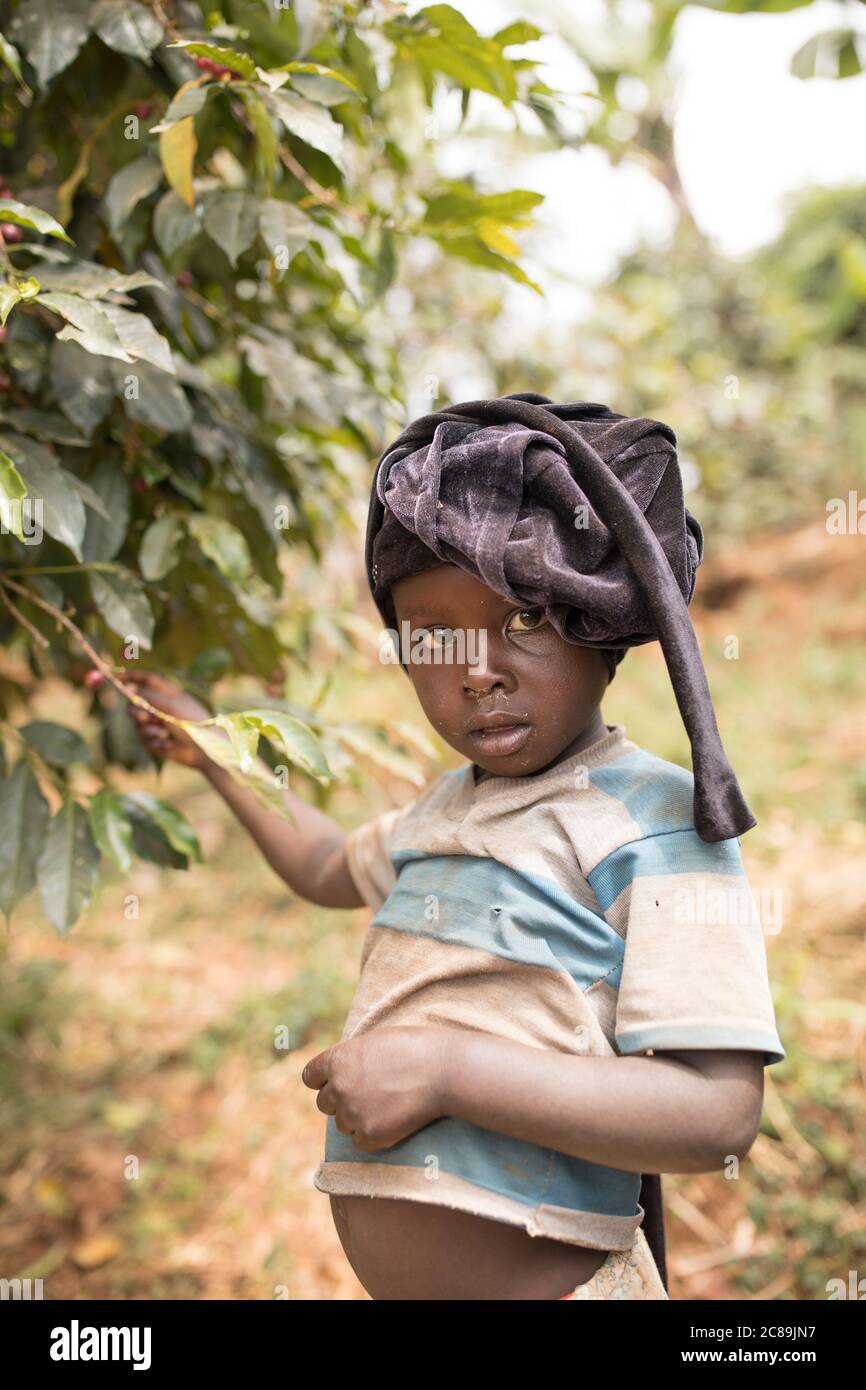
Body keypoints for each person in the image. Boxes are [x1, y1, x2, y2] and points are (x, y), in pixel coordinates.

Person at [128, 393, 785, 1301]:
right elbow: (324, 865)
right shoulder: (444, 811)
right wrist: (207, 743)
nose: (476, 669)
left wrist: (447, 1071)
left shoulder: (653, 823)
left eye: (523, 620)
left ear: (603, 627)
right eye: (435, 635)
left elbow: (717, 1114)